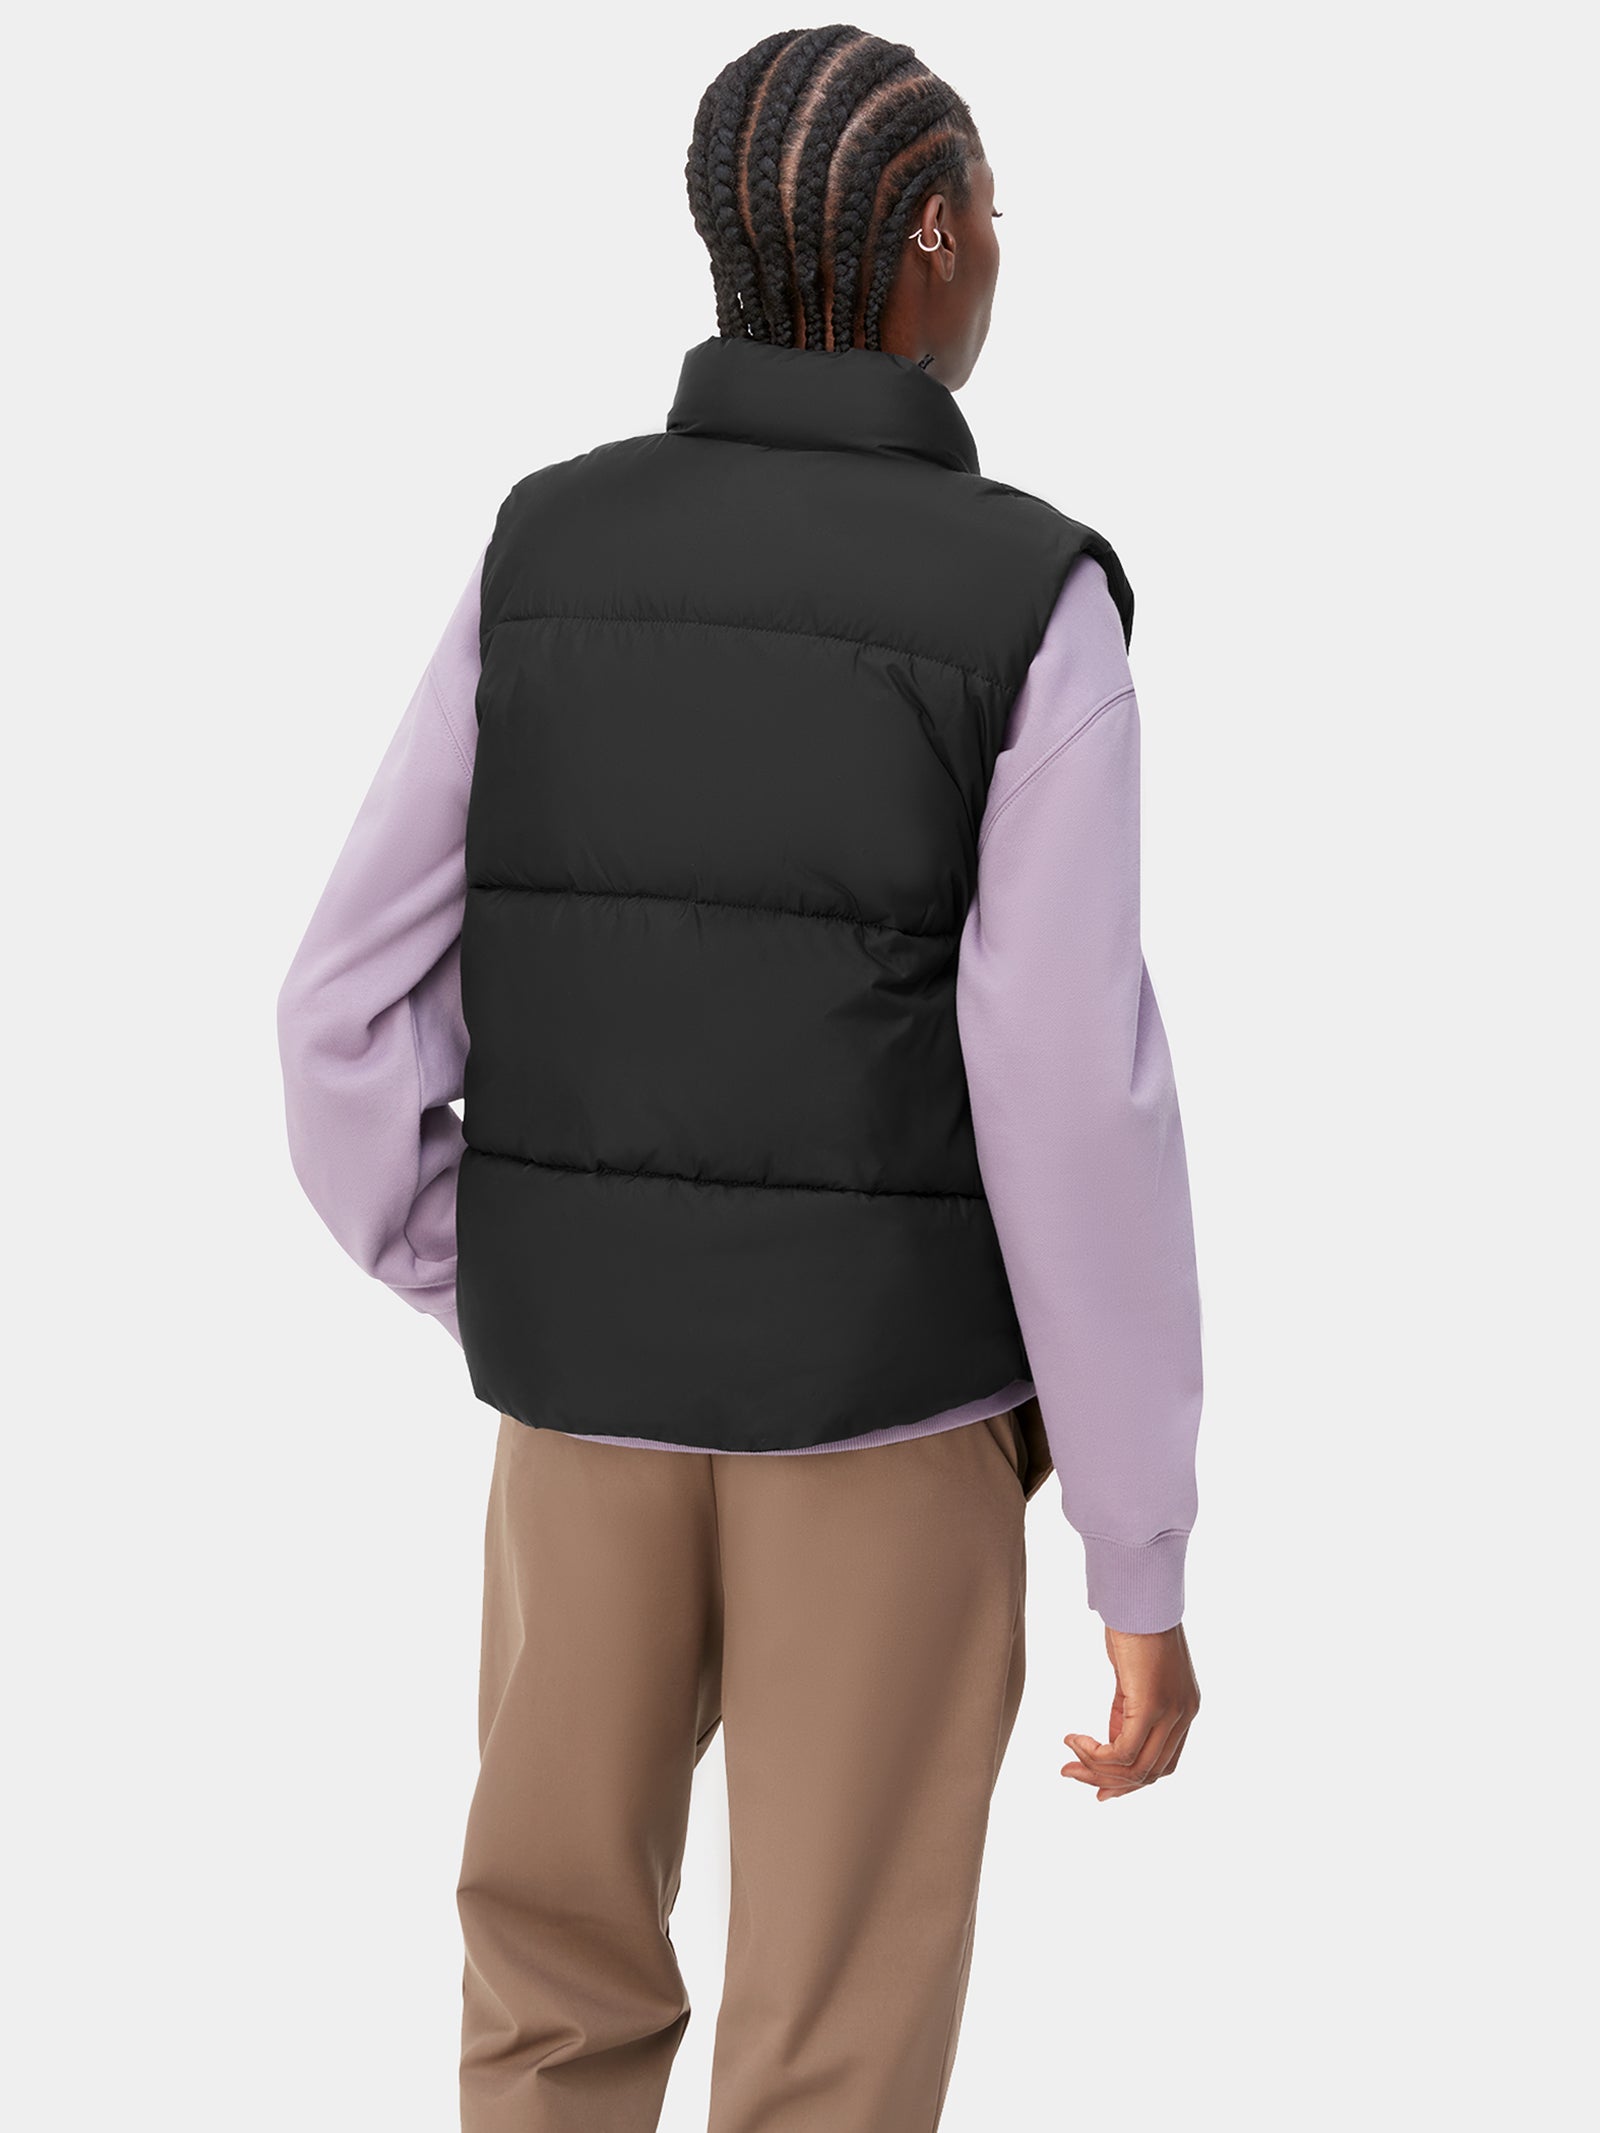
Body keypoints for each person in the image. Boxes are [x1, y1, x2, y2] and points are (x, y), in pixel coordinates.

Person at [277, 24, 1204, 2132]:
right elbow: (1072, 1095)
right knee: (832, 2054)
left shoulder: (544, 548)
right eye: (996, 215)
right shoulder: (1027, 599)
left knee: (544, 1992)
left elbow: (336, 1012)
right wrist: (1135, 1554)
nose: (1002, 251)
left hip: (575, 1413)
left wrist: (505, 1269)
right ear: (934, 235)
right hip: (888, 1417)